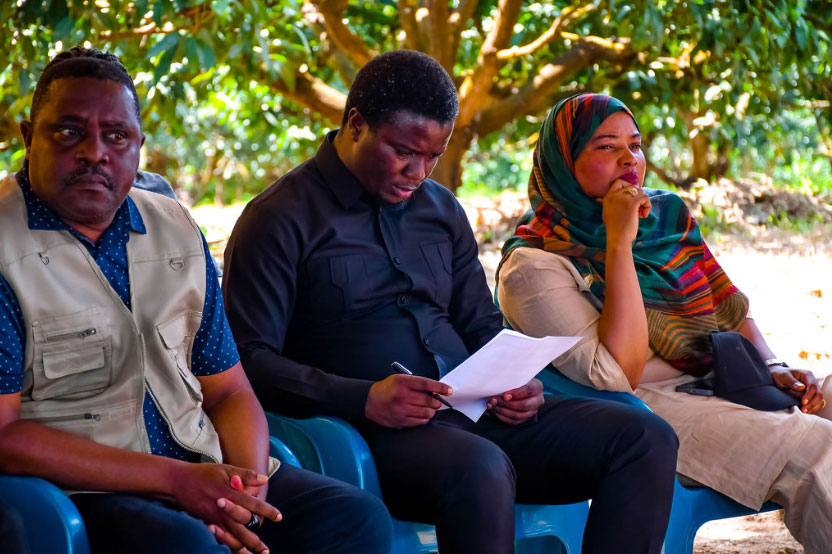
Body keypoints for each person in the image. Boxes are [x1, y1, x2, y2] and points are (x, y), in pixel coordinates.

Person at [222, 50, 679, 554]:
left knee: (645, 437)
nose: (418, 171)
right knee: (479, 467)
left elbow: (480, 324)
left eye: (433, 156)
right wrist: (365, 397)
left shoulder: (440, 210)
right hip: (367, 436)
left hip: (476, 414)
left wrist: (516, 381)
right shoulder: (278, 219)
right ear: (356, 125)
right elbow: (250, 363)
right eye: (403, 151)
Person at [0, 46, 393, 554]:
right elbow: (6, 434)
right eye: (69, 131)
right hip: (81, 492)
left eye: (115, 136)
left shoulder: (173, 227)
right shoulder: (5, 250)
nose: (94, 152)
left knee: (354, 519)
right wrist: (176, 483)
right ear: (30, 138)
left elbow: (227, 390)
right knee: (187, 545)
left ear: (138, 146)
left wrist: (245, 493)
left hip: (200, 469)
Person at [496, 93, 832, 553]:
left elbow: (729, 307)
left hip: (724, 375)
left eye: (635, 145)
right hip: (642, 407)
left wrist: (772, 365)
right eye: (606, 147)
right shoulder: (534, 266)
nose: (628, 160)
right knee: (816, 446)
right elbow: (620, 371)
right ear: (562, 162)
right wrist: (619, 242)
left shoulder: (666, 215)